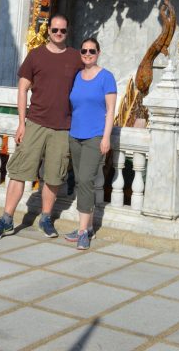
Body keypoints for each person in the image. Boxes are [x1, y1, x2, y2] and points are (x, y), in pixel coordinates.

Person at [0, 12, 81, 240]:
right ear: (48, 30)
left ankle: (46, 218)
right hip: (36, 122)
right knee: (19, 172)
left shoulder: (75, 57)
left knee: (54, 175)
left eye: (63, 30)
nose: (59, 34)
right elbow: (22, 88)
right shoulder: (36, 56)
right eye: (55, 30)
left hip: (62, 127)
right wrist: (21, 122)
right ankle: (6, 219)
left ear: (67, 32)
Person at [63, 37, 116, 251]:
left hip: (95, 136)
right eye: (84, 51)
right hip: (75, 135)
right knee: (80, 182)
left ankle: (83, 231)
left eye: (91, 51)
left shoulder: (106, 77)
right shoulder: (76, 76)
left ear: (98, 53)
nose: (87, 54)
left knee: (85, 180)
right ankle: (88, 226)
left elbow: (111, 110)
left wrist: (106, 137)